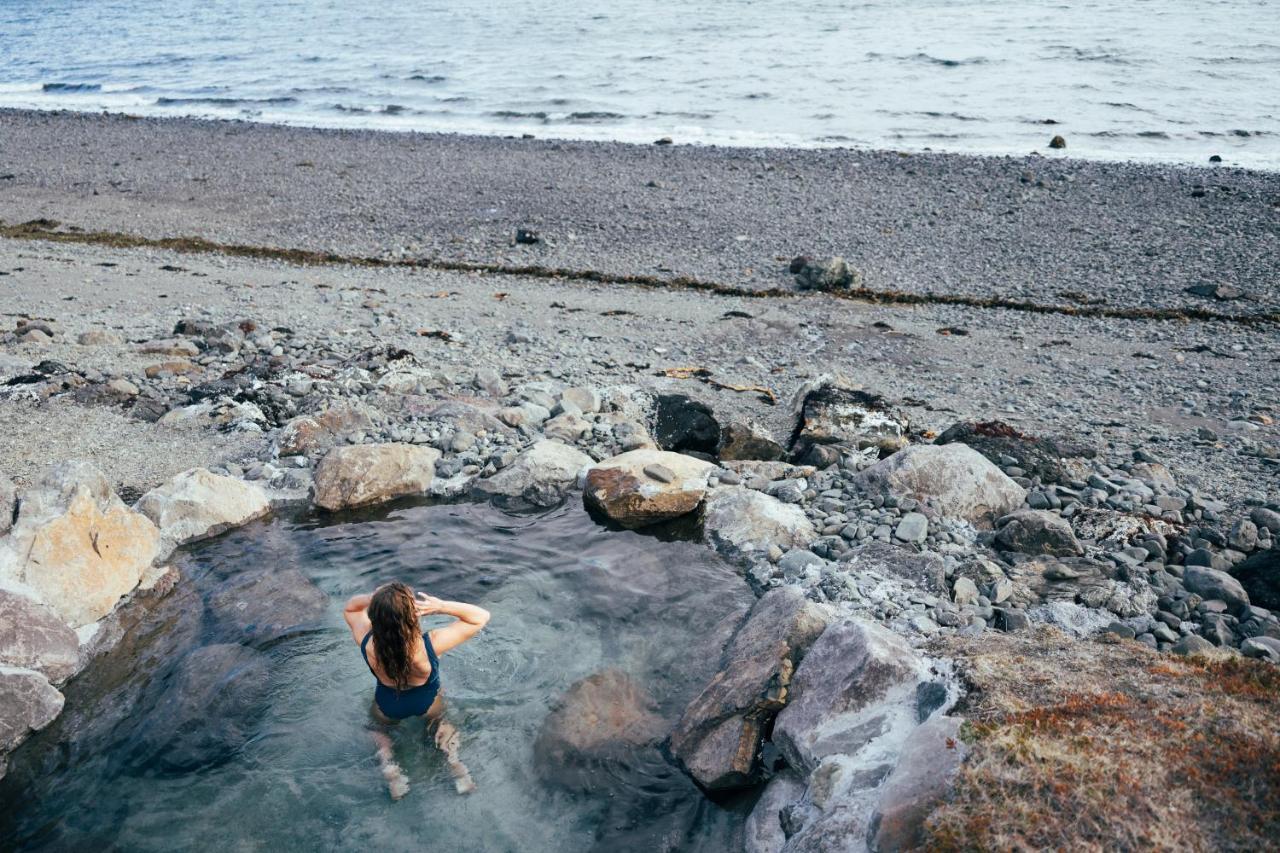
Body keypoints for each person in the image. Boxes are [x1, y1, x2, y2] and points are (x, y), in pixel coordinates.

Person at [343, 582, 490, 799]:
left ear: (375, 615)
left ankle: (389, 766)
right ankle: (455, 764)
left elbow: (350, 608)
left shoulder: (366, 641)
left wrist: (373, 598)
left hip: (387, 703)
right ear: (412, 615)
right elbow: (481, 616)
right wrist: (441, 606)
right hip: (427, 703)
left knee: (379, 729)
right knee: (440, 724)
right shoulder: (430, 644)